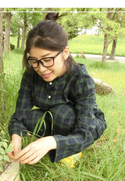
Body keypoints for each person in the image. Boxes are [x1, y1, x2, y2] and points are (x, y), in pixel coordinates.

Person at [7, 13, 107, 166]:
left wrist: (50, 142)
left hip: (83, 122)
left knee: (63, 114)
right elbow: (19, 115)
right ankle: (53, 142)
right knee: (31, 119)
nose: (41, 68)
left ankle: (70, 148)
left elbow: (86, 131)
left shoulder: (81, 79)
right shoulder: (31, 74)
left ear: (65, 53)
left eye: (47, 60)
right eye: (34, 61)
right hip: (51, 116)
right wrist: (16, 137)